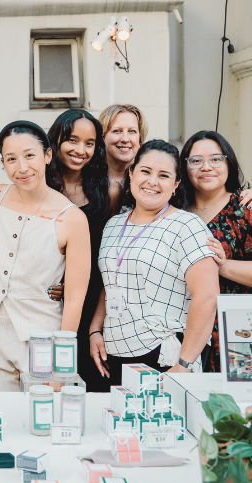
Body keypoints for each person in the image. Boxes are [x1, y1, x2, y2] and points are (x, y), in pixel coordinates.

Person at [0, 121, 90, 391]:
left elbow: (74, 297)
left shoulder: (72, 218)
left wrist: (63, 364)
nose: (22, 167)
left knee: (41, 421)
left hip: (41, 337)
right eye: (11, 159)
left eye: (29, 155)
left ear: (47, 156)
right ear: (2, 162)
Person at [90, 140, 219, 382]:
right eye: (145, 171)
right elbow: (110, 281)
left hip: (164, 355)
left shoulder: (187, 226)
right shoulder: (114, 224)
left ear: (176, 184)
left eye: (163, 175)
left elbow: (207, 296)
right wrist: (95, 329)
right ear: (131, 173)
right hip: (112, 353)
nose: (152, 182)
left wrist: (183, 364)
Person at [47, 109, 112, 391]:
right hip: (47, 302)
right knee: (46, 379)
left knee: (90, 386)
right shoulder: (40, 188)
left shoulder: (105, 192)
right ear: (56, 142)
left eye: (89, 143)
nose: (80, 150)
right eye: (72, 140)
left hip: (91, 303)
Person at [180, 130, 252, 372]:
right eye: (196, 161)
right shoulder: (174, 213)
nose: (206, 167)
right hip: (184, 331)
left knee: (234, 407)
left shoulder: (245, 209)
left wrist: (222, 265)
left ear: (228, 163)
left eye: (216, 159)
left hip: (237, 331)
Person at [98, 104, 147, 213]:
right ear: (102, 137)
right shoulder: (86, 179)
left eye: (132, 131)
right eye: (117, 131)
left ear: (140, 138)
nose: (125, 139)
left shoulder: (147, 181)